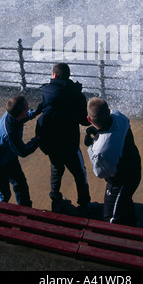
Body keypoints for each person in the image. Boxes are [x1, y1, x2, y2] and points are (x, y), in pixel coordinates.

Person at [35, 62, 91, 214]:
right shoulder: (77, 95)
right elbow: (84, 121)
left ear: (54, 75)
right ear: (68, 76)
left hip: (50, 143)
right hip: (69, 144)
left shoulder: (46, 90)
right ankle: (84, 205)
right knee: (79, 173)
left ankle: (56, 201)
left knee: (56, 169)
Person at [86, 97, 141, 226]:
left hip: (121, 182)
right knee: (125, 201)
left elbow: (100, 172)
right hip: (135, 168)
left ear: (89, 119)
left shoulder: (100, 149)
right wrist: (99, 132)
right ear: (109, 111)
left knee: (110, 218)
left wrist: (91, 146)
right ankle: (133, 225)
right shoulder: (119, 116)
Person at [0, 95, 39, 207]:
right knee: (4, 196)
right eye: (27, 106)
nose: (29, 107)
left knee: (21, 185)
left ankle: (25, 211)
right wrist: (38, 139)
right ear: (22, 111)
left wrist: (38, 111)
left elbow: (24, 116)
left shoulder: (12, 114)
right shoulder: (10, 132)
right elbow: (23, 151)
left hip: (8, 156)